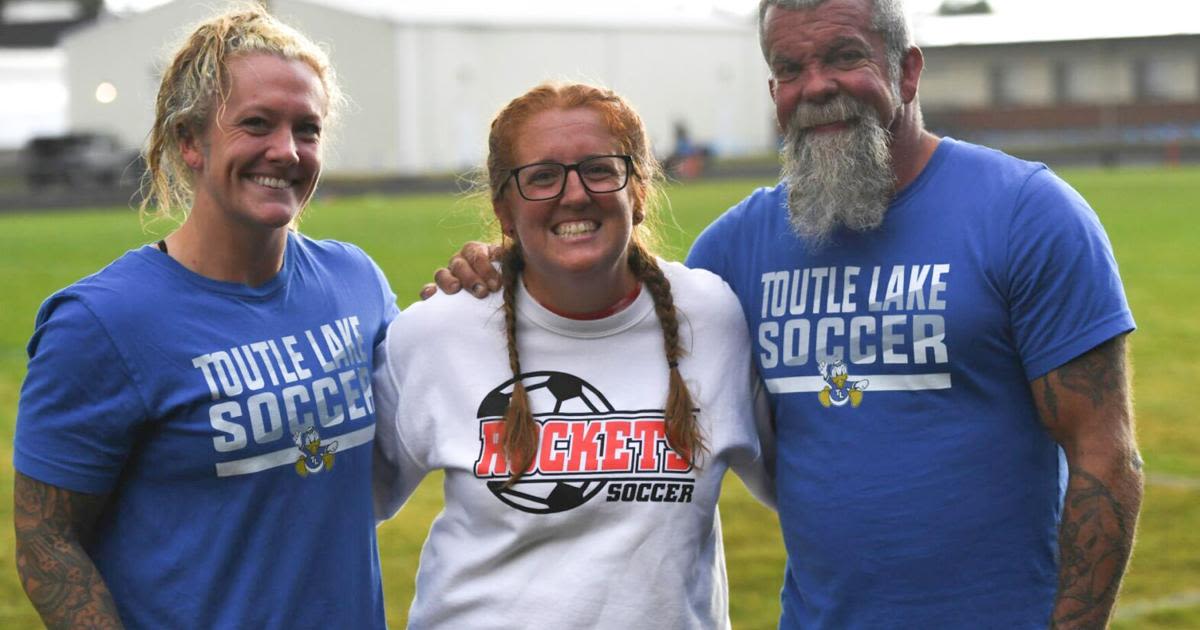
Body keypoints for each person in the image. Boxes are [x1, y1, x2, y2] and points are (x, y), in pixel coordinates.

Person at [429, 0, 1143, 627]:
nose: (818, 87)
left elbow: (1105, 454)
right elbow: (611, 306)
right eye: (790, 68)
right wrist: (499, 265)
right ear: (773, 89)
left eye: (844, 57)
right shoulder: (735, 253)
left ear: (908, 71)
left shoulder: (1026, 215)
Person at [13, 8, 396, 628]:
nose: (287, 151)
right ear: (189, 141)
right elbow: (46, 539)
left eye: (308, 129)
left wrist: (490, 275)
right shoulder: (102, 322)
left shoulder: (356, 282)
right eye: (256, 124)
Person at [372, 81, 772, 629]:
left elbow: (814, 488)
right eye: (542, 177)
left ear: (639, 189)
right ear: (503, 209)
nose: (575, 193)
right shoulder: (436, 332)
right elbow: (336, 510)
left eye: (600, 169)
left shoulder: (714, 318)